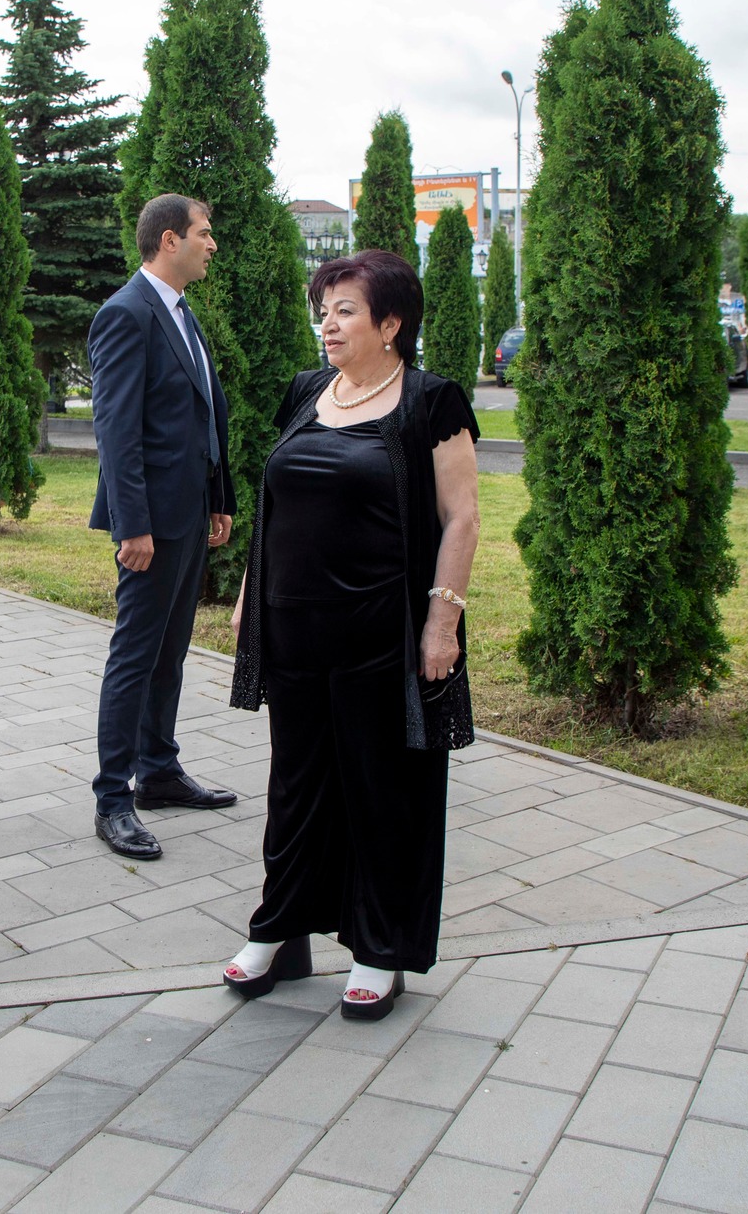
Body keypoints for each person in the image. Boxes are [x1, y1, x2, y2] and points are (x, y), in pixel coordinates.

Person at [222, 249, 479, 1021]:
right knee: (295, 785)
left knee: (380, 788)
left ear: (391, 324)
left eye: (345, 311)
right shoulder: (308, 391)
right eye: (323, 310)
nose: (327, 325)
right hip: (294, 628)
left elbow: (462, 518)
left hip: (381, 634)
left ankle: (379, 947)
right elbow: (276, 503)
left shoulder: (430, 401)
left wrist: (442, 623)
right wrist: (248, 598)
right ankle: (279, 929)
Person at [85, 193, 239, 860]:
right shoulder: (126, 313)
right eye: (204, 233)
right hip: (150, 523)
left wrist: (218, 496)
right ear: (169, 239)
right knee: (135, 655)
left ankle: (160, 771)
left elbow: (203, 412)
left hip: (189, 511)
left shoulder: (180, 311)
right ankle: (112, 798)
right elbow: (116, 430)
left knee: (170, 651)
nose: (212, 244)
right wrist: (132, 525)